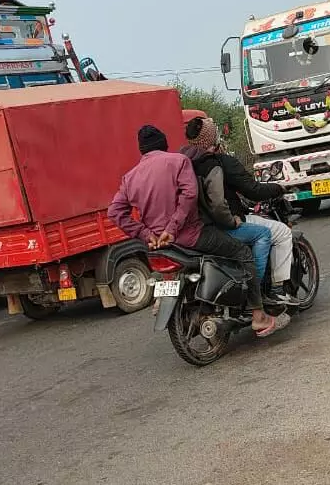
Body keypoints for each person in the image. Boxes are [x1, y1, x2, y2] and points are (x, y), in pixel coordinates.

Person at [107, 125, 288, 337]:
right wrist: (172, 228)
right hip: (192, 236)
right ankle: (258, 315)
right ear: (165, 144)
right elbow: (190, 195)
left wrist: (147, 234)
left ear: (142, 150)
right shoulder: (178, 162)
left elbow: (115, 212)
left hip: (159, 244)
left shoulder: (130, 177)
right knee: (243, 253)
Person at [183, 116, 294, 303]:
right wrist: (277, 188)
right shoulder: (217, 163)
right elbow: (250, 191)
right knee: (276, 233)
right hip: (223, 223)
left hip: (198, 228)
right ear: (212, 138)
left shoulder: (184, 162)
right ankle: (269, 290)